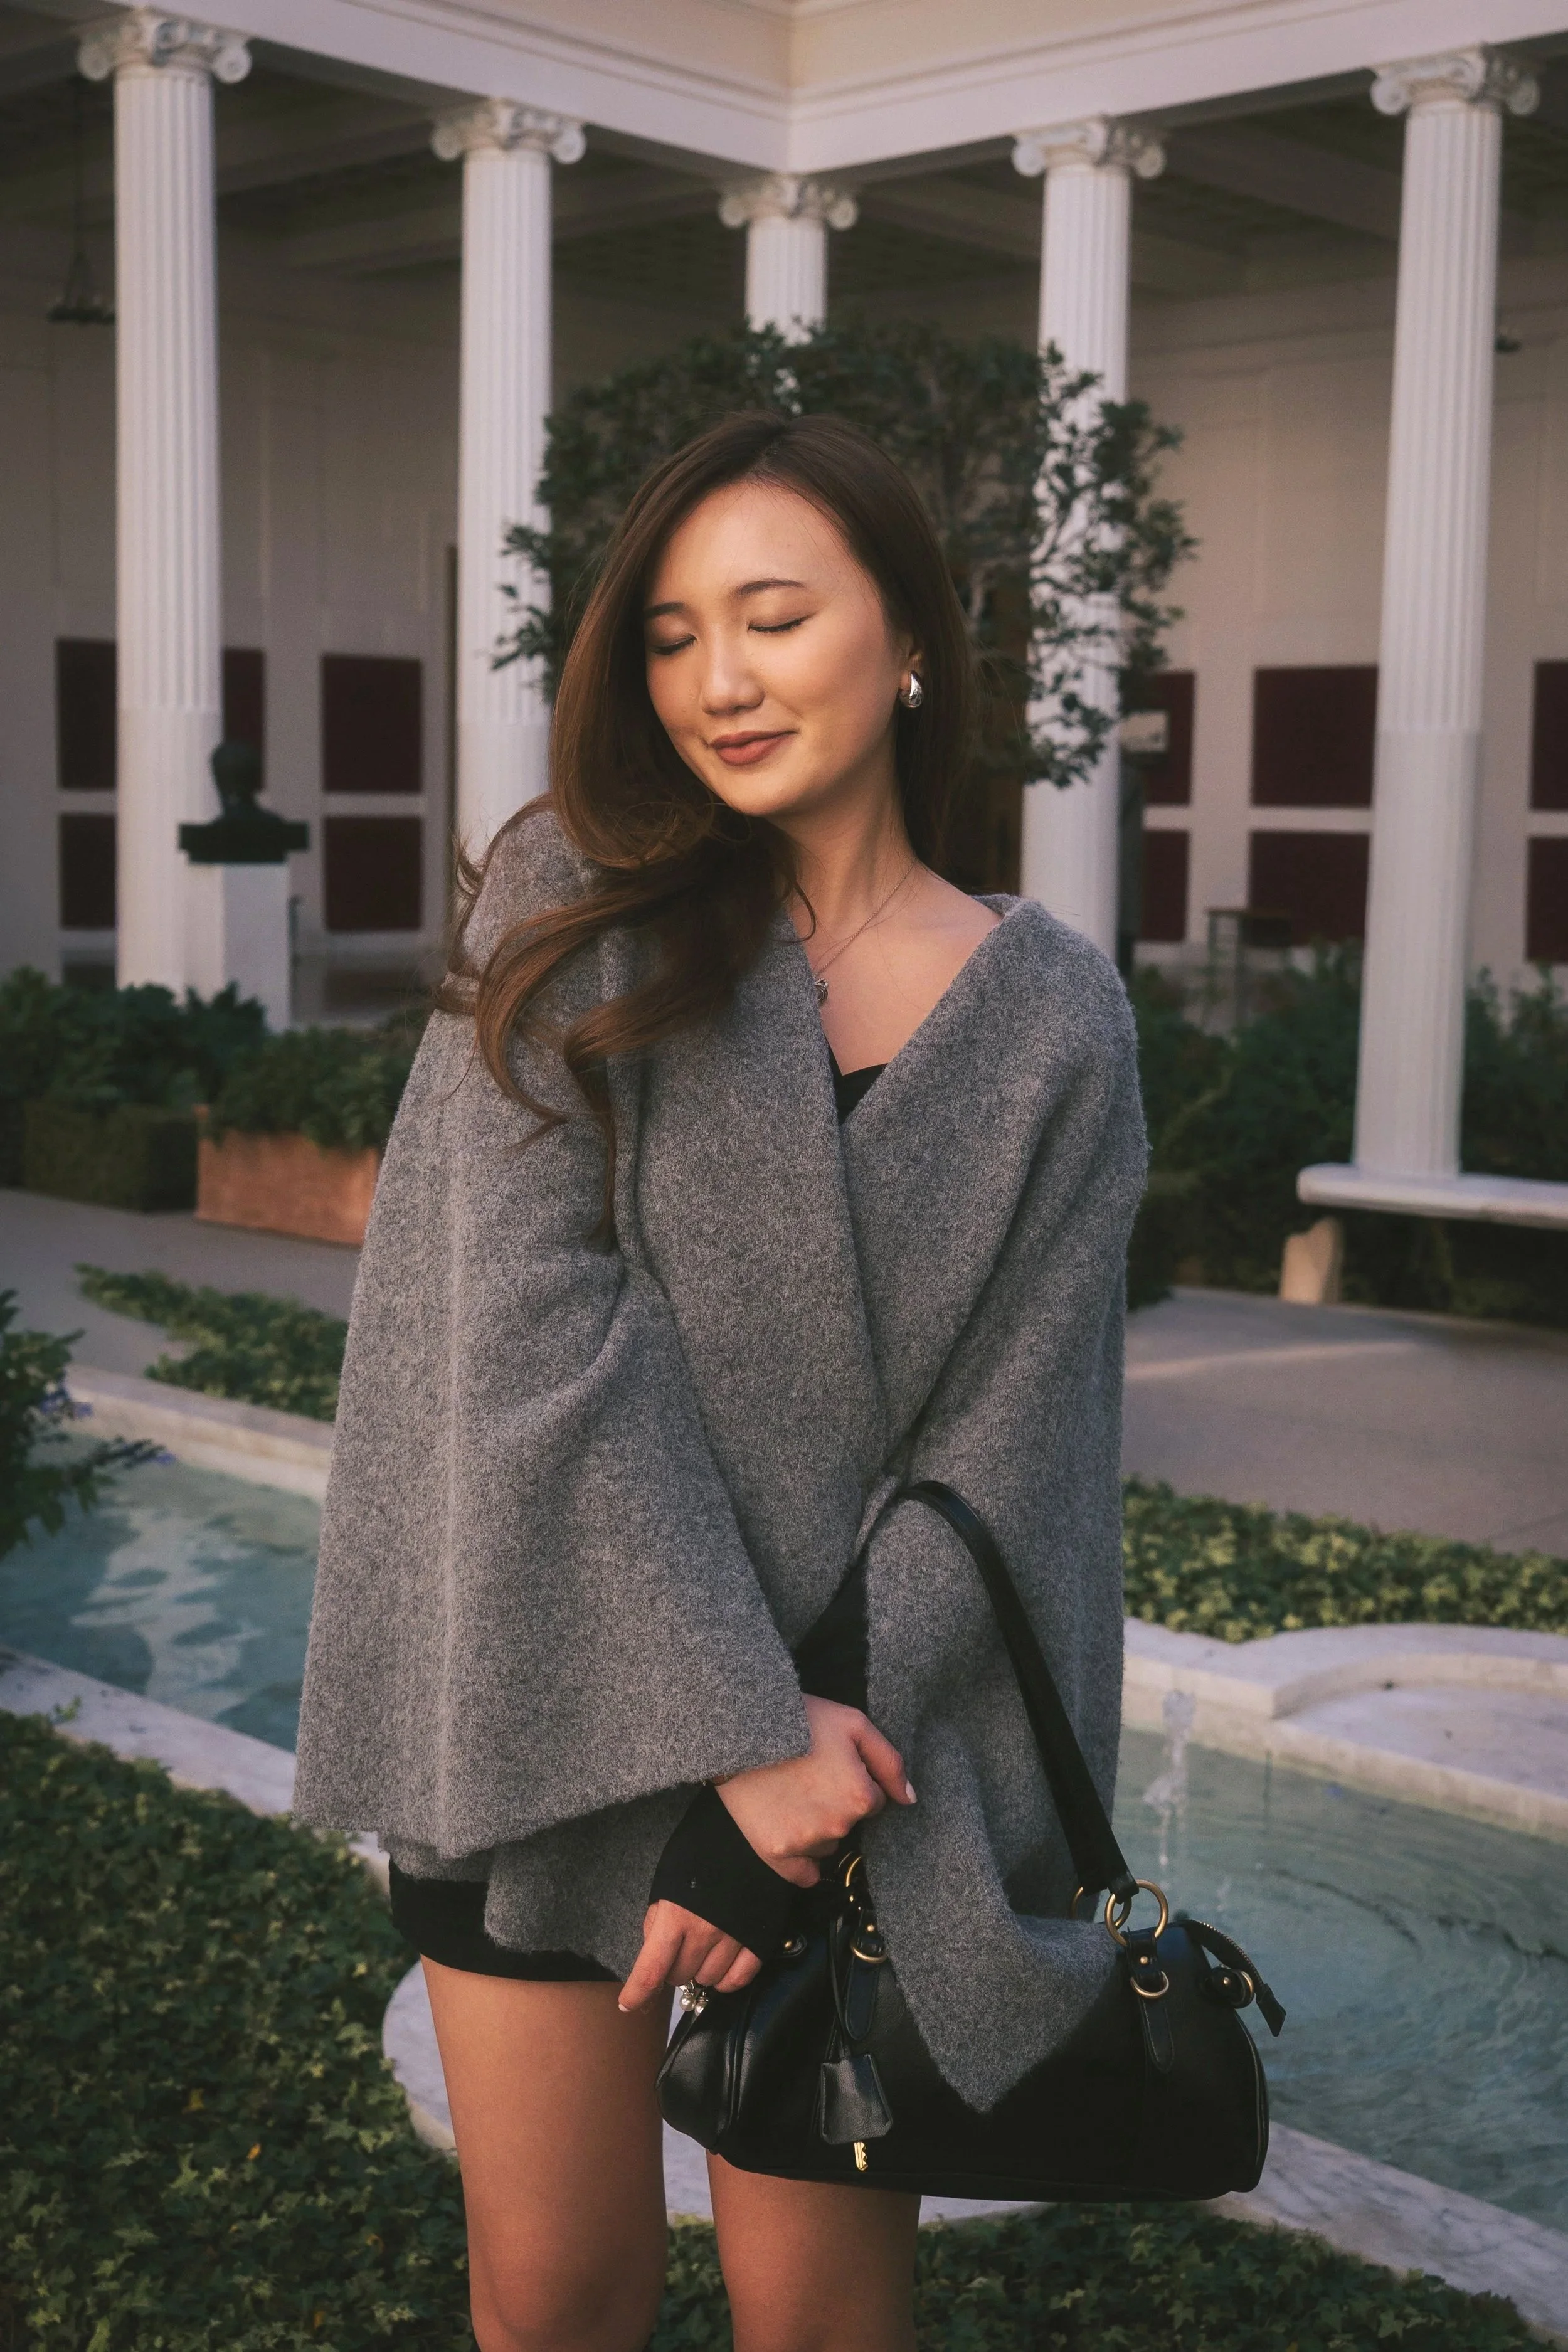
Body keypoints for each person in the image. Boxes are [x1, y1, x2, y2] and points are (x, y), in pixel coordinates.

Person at [293, 411, 1147, 2352]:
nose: (719, 679)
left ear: (914, 634)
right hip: (545, 1703)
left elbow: (1010, 1446)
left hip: (868, 1765)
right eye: (671, 634)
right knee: (558, 2294)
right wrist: (729, 1729)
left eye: (771, 614)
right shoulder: (567, 905)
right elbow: (520, 1333)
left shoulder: (1054, 1018)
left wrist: (796, 1780)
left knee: (827, 2325)